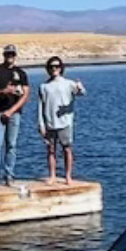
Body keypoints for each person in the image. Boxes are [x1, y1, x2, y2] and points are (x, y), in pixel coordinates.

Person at [0, 44, 31, 186]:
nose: (9, 56)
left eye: (12, 54)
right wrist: (3, 91)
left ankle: (9, 176)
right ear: (4, 55)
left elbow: (25, 95)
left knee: (11, 145)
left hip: (14, 114)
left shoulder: (21, 73)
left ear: (15, 56)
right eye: (7, 54)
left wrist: (11, 111)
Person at [37, 56, 87, 184]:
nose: (54, 69)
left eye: (57, 66)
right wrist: (41, 124)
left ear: (61, 68)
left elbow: (81, 93)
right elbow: (40, 106)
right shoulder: (44, 86)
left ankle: (68, 176)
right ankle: (52, 175)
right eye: (52, 67)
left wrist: (80, 88)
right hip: (50, 123)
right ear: (48, 69)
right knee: (51, 150)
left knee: (67, 149)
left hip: (65, 123)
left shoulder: (68, 83)